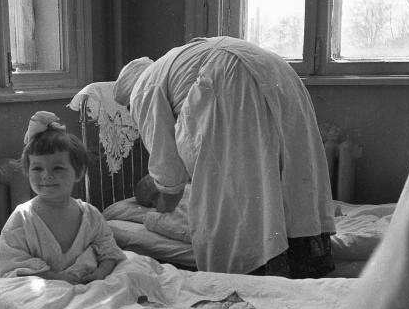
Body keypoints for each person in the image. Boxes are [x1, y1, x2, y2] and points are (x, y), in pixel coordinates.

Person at [113, 36, 336, 277]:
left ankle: (252, 279)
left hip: (230, 74)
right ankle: (301, 262)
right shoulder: (171, 63)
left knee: (234, 190)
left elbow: (166, 167)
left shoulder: (142, 89)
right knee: (287, 168)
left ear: (128, 99)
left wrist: (162, 203)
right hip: (276, 69)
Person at [0, 111, 126, 284]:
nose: (46, 175)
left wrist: (101, 273)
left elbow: (109, 251)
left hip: (87, 285)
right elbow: (12, 264)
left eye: (57, 168)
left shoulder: (91, 215)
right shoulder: (22, 218)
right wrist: (55, 278)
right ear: (27, 172)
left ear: (78, 172)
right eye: (37, 169)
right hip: (43, 290)